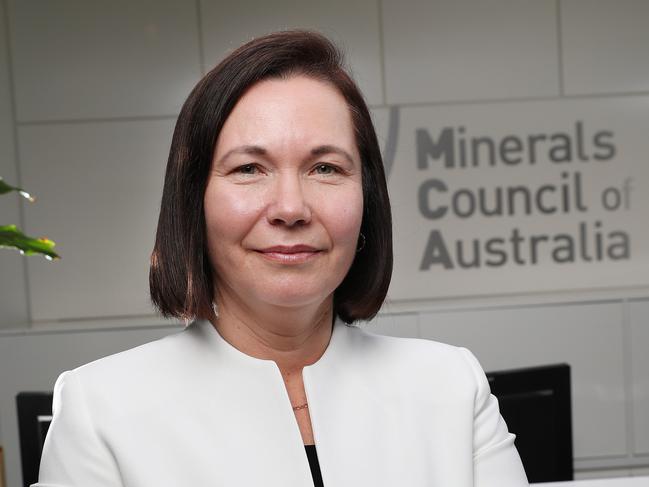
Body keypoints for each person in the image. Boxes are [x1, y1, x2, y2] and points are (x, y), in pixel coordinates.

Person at [33, 30, 529, 487]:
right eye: (249, 168)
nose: (291, 207)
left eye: (325, 168)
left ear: (366, 203)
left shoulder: (451, 387)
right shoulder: (100, 410)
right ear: (194, 203)